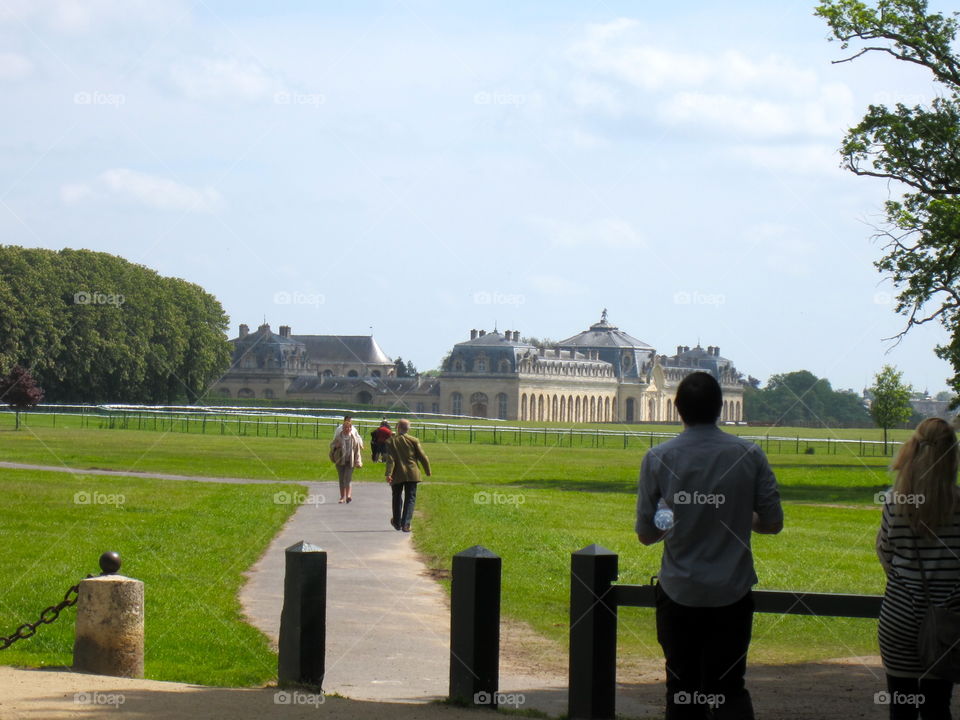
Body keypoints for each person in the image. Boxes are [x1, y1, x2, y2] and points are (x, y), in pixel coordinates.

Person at [636, 371, 783, 720]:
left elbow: (646, 534)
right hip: (731, 591)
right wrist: (740, 516)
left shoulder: (658, 458)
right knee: (730, 687)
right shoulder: (749, 453)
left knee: (682, 690)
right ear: (720, 408)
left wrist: (671, 518)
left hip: (679, 589)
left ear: (677, 408)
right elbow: (773, 523)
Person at [877, 417, 960, 720]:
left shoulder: (894, 503)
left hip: (899, 618)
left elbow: (886, 553)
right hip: (948, 623)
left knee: (901, 706)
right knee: (938, 706)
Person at [384, 418, 430, 532]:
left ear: (398, 427)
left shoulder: (390, 441)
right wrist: (427, 470)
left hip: (397, 474)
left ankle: (397, 522)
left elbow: (390, 460)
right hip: (412, 473)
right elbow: (423, 457)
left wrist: (388, 473)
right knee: (410, 498)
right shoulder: (413, 440)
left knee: (396, 497)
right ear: (408, 429)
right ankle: (406, 524)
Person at [330, 415, 363, 504]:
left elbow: (357, 451)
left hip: (350, 461)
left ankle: (348, 496)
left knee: (347, 478)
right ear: (342, 427)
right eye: (345, 427)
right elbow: (332, 445)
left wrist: (358, 461)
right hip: (340, 461)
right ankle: (342, 497)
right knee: (341, 479)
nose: (347, 429)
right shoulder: (338, 435)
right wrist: (336, 446)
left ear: (350, 428)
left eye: (348, 428)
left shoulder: (354, 438)